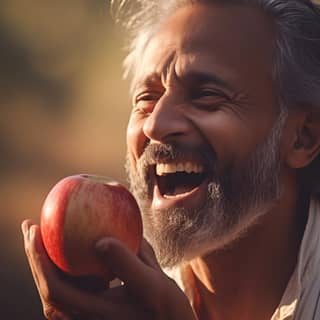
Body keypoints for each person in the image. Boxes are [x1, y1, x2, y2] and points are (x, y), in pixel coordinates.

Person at [22, 0, 320, 319]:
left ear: (303, 138)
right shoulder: (116, 299)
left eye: (207, 95)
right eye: (146, 99)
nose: (155, 125)